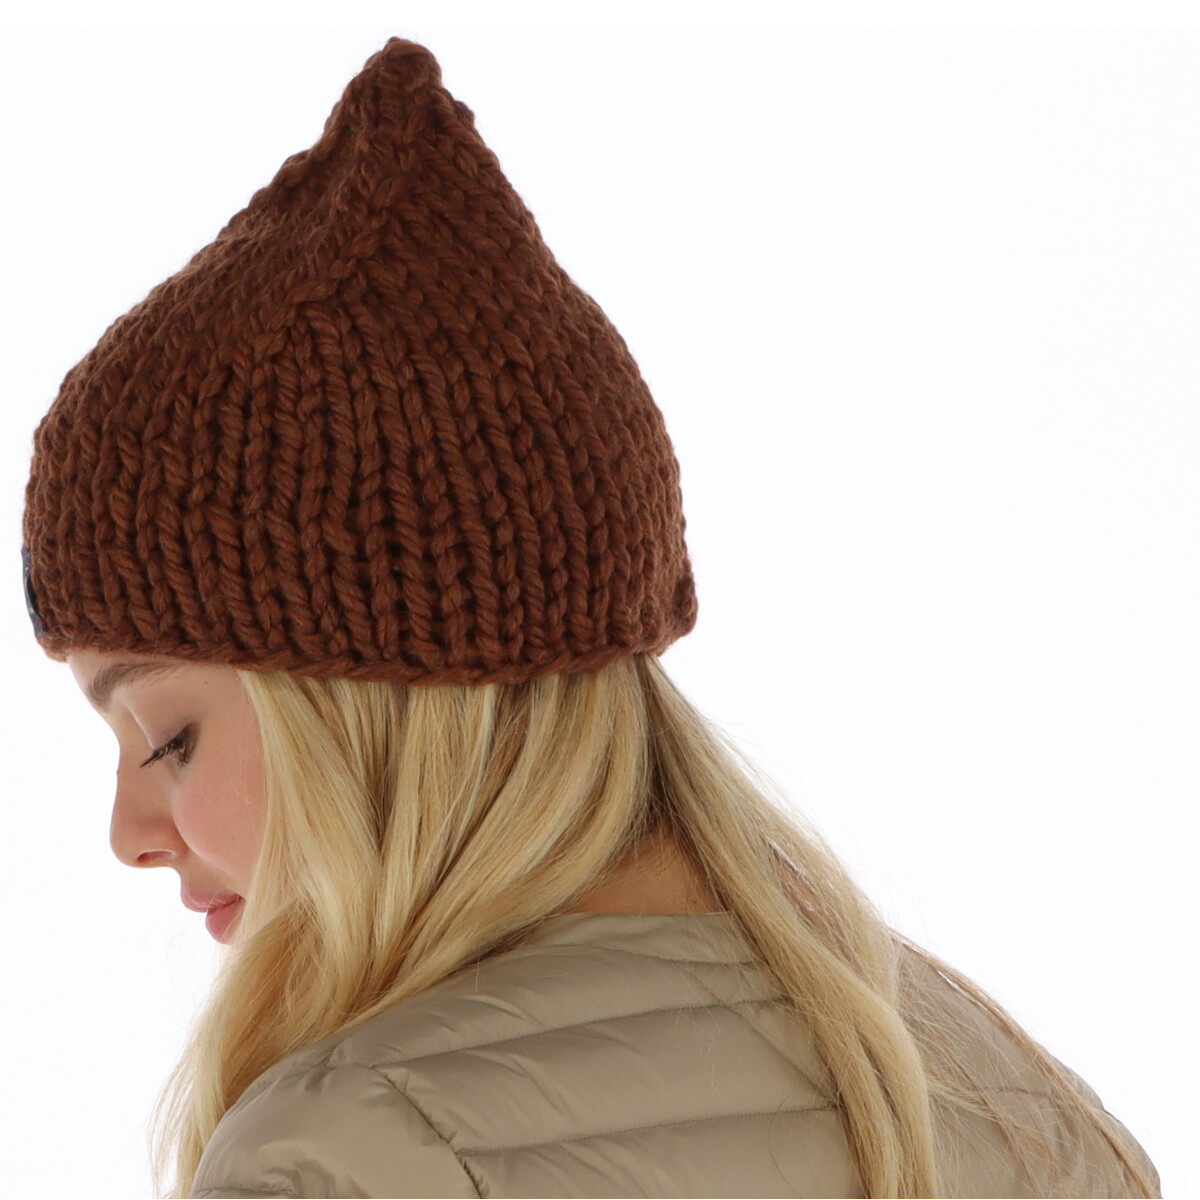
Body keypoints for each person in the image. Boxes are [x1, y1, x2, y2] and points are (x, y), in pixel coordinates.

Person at [21, 36, 1160, 1200]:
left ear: (373, 706)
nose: (128, 832)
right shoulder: (1018, 1108)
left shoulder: (345, 1156)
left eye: (167, 738)